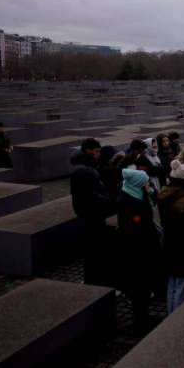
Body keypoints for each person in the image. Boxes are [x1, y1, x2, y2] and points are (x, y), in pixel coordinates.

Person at [116, 168, 161, 332]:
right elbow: (137, 229)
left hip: (141, 250)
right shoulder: (131, 202)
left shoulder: (135, 193)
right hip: (137, 253)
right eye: (146, 182)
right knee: (138, 287)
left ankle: (144, 316)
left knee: (143, 287)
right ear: (138, 184)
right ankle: (140, 321)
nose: (148, 184)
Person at [70, 138, 115, 286]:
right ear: (88, 151)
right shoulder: (83, 170)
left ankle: (95, 279)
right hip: (92, 215)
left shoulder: (85, 167)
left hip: (91, 214)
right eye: (96, 151)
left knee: (95, 250)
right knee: (94, 251)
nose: (98, 154)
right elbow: (91, 195)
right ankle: (95, 281)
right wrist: (108, 202)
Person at [158, 160, 184, 314]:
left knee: (172, 285)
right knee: (182, 287)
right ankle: (177, 318)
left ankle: (170, 313)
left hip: (169, 245)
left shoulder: (164, 193)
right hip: (183, 250)